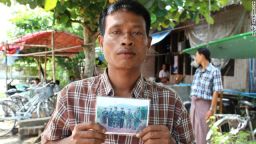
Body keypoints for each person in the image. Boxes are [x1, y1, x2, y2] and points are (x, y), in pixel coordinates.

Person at [41, 0, 194, 143]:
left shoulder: (170, 101)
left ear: (148, 43)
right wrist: (70, 142)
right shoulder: (72, 95)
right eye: (116, 32)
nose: (126, 40)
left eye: (136, 32)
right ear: (101, 42)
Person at [190, 48, 223, 144]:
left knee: (204, 134)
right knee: (193, 134)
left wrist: (211, 110)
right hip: (194, 106)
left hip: (204, 106)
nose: (195, 58)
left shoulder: (214, 71)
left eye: (196, 55)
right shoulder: (197, 71)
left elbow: (216, 91)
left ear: (202, 55)